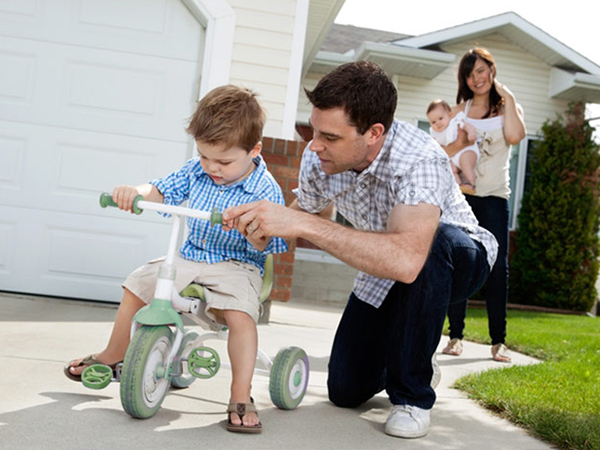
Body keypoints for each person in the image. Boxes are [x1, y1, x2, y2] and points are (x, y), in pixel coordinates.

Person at [222, 61, 498, 439]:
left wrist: (303, 224)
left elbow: (407, 259)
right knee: (345, 389)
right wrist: (263, 230)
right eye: (314, 131)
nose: (315, 145)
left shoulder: (421, 158)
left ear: (374, 133)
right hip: (384, 263)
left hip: (457, 257)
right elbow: (300, 215)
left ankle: (413, 398)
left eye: (330, 137)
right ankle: (415, 346)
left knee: (433, 245)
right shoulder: (319, 158)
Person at [64, 84, 288, 434]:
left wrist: (253, 232)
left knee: (241, 314)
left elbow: (266, 244)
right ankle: (113, 355)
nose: (212, 167)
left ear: (254, 150)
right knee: (138, 283)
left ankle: (241, 394)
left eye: (224, 161)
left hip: (238, 265)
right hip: (191, 256)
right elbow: (160, 189)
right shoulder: (195, 170)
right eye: (204, 156)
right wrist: (134, 192)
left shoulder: (264, 189)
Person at [441, 48, 526, 362]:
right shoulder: (458, 111)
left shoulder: (506, 109)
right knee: (459, 261)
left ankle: (498, 341)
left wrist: (510, 98)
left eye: (482, 70)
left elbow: (516, 136)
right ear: (464, 79)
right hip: (461, 196)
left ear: (492, 69)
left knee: (497, 268)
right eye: (470, 73)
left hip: (494, 197)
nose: (477, 78)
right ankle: (455, 336)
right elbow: (444, 149)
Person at [426, 99, 480, 194]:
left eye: (440, 118)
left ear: (450, 115)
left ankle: (471, 184)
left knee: (466, 163)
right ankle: (458, 185)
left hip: (467, 151)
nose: (437, 123)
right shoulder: (434, 133)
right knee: (450, 168)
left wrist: (471, 133)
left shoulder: (455, 122)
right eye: (433, 122)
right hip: (453, 157)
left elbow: (467, 126)